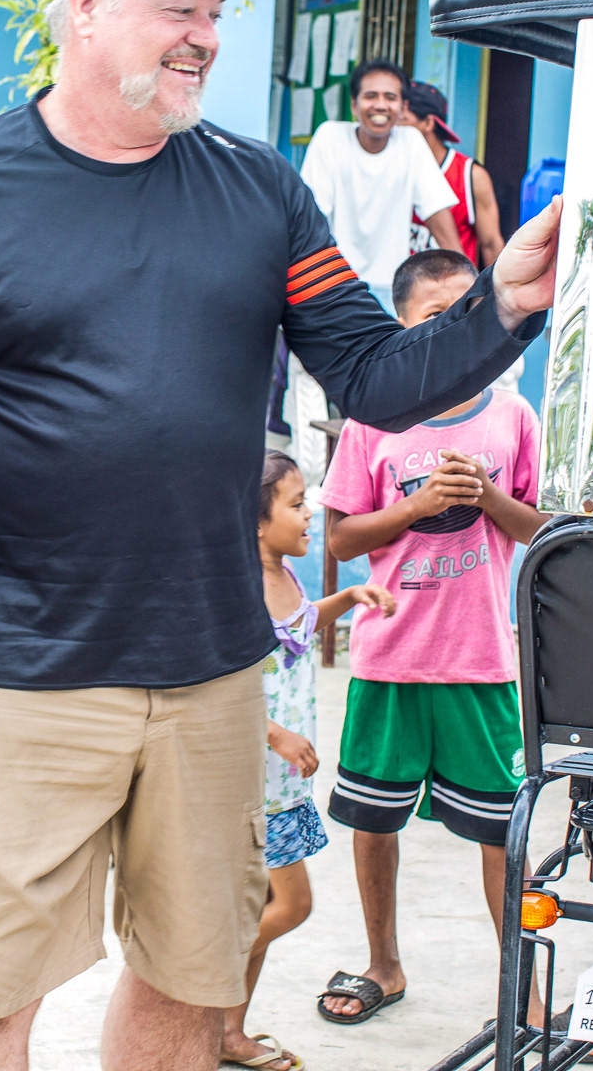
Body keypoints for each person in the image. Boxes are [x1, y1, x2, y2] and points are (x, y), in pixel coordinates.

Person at [0, 0, 559, 1071]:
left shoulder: (259, 188)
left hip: (213, 670)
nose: (206, 36)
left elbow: (375, 372)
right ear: (83, 6)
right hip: (19, 676)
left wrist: (505, 307)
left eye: (216, 10)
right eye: (178, 4)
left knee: (192, 986)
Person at [315, 249, 547, 1029]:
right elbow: (343, 540)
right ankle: (383, 961)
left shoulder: (513, 417)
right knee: (374, 821)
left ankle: (522, 987)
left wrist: (486, 498)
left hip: (482, 659)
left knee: (498, 832)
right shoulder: (373, 422)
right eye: (431, 319)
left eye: (464, 315)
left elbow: (541, 531)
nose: (451, 332)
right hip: (390, 659)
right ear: (403, 331)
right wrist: (414, 511)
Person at [223, 451, 396, 1071]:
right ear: (256, 521)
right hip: (249, 785)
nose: (311, 514)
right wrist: (275, 735)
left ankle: (228, 1033)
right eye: (296, 504)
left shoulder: (287, 580)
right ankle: (194, 980)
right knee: (289, 907)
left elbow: (297, 628)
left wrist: (349, 595)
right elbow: (218, 687)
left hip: (282, 787)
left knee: (257, 909)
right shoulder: (237, 590)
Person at [300, 59, 461, 301]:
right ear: (354, 104)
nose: (380, 105)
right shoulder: (330, 137)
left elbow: (437, 214)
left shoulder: (411, 142)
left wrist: (466, 286)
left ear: (403, 106)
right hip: (335, 286)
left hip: (392, 291)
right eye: (371, 96)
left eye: (390, 97)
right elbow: (312, 220)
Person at [402, 80, 503, 268]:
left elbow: (490, 244)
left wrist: (494, 295)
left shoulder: (470, 175)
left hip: (450, 292)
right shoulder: (392, 165)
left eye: (402, 120)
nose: (393, 128)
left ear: (428, 123)